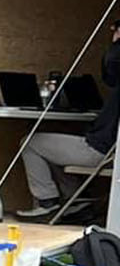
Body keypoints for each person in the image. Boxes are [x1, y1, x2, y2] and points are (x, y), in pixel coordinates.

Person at [16, 19, 120, 219]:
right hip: (110, 151)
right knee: (52, 144)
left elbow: (111, 69)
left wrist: (117, 41)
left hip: (100, 150)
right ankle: (75, 199)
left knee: (30, 142)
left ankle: (47, 202)